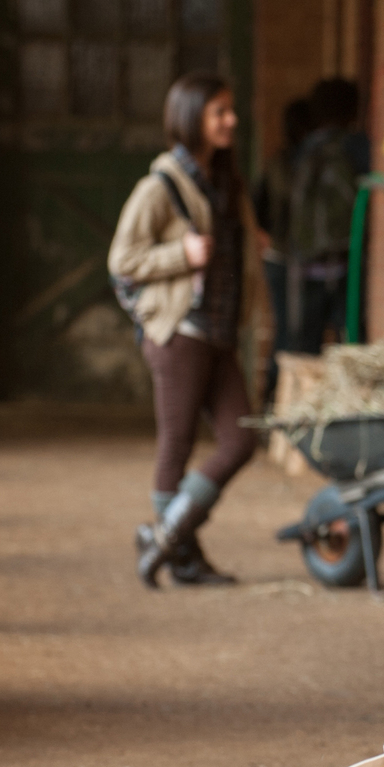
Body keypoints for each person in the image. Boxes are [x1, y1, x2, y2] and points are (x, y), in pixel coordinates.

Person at [109, 72, 269, 589]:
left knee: (240, 438)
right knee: (175, 447)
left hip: (221, 331)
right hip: (180, 333)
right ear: (191, 117)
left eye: (230, 110)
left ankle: (163, 540)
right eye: (219, 112)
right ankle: (182, 556)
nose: (231, 120)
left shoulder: (225, 179)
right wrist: (181, 254)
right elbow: (123, 259)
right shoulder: (159, 186)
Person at [251, 96, 317, 404]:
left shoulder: (278, 162)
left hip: (279, 257)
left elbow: (258, 208)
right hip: (297, 260)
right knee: (293, 334)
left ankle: (274, 399)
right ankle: (278, 400)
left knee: (287, 331)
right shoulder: (309, 164)